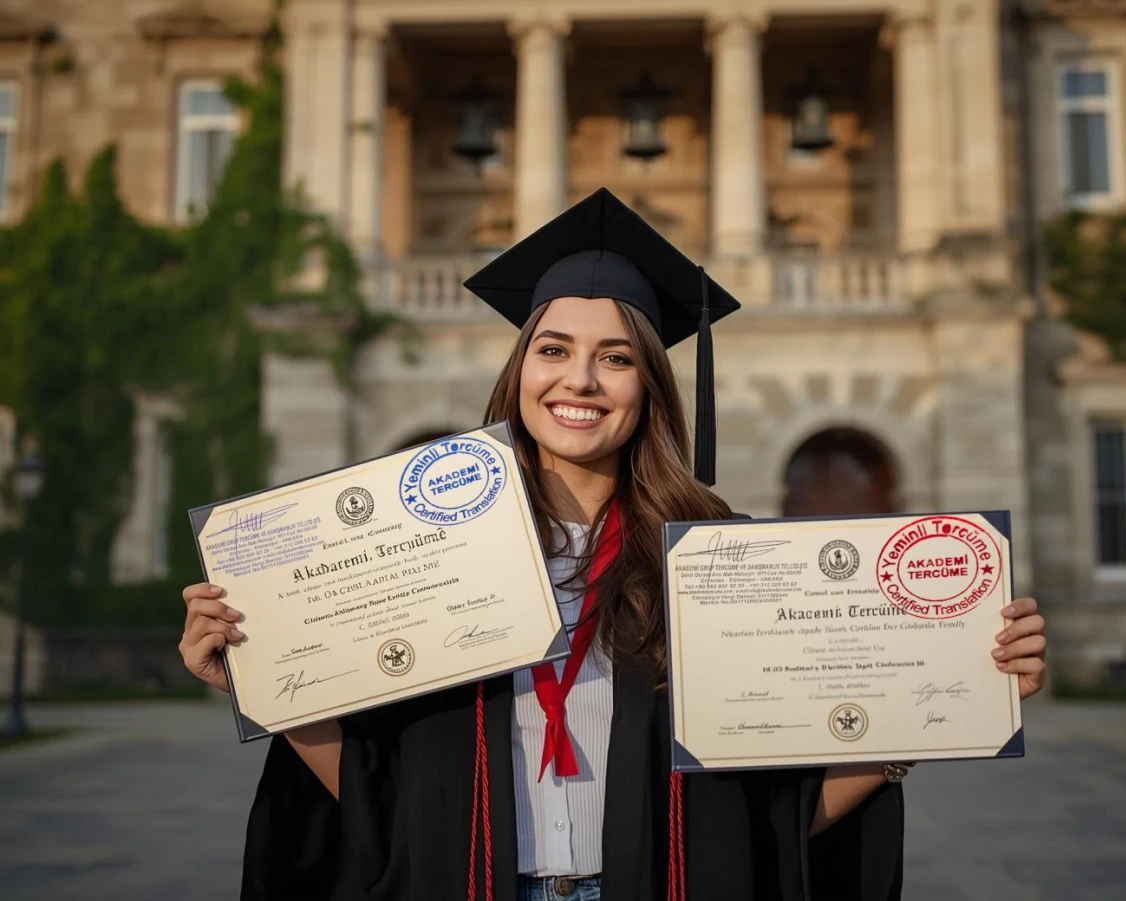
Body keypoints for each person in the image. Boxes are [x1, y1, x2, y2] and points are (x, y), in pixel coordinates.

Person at [178, 189, 1048, 901]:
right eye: (553, 349)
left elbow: (771, 822)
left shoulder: (714, 567)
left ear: (650, 385)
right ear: (519, 370)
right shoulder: (429, 562)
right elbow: (378, 801)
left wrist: (944, 691)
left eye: (617, 357)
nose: (580, 380)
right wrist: (264, 678)